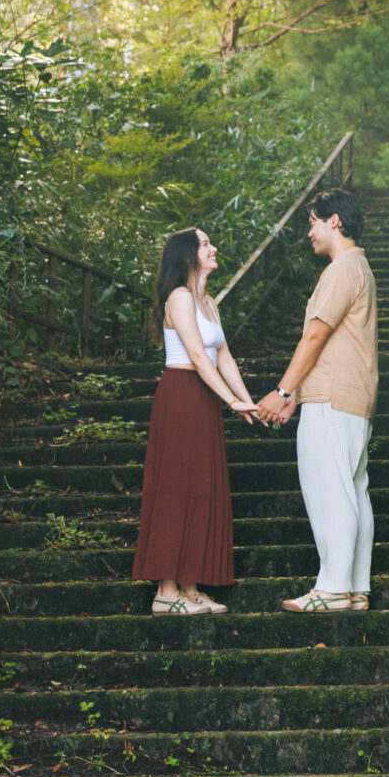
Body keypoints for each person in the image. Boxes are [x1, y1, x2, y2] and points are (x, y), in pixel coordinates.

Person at [254, 187, 378, 613]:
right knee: (353, 489)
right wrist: (297, 397)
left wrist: (283, 390)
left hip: (334, 398)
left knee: (331, 489)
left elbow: (316, 335)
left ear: (334, 221)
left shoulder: (342, 269)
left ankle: (333, 588)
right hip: (348, 395)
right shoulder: (358, 268)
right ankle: (355, 586)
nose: (308, 232)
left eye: (312, 222)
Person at [131, 227, 256, 614]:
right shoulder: (179, 298)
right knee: (175, 487)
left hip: (204, 398)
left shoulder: (208, 302)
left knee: (200, 486)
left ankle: (190, 586)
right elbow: (198, 358)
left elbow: (224, 357)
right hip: (182, 395)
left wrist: (248, 402)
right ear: (188, 255)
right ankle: (166, 592)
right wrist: (230, 400)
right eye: (205, 243)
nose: (214, 247)